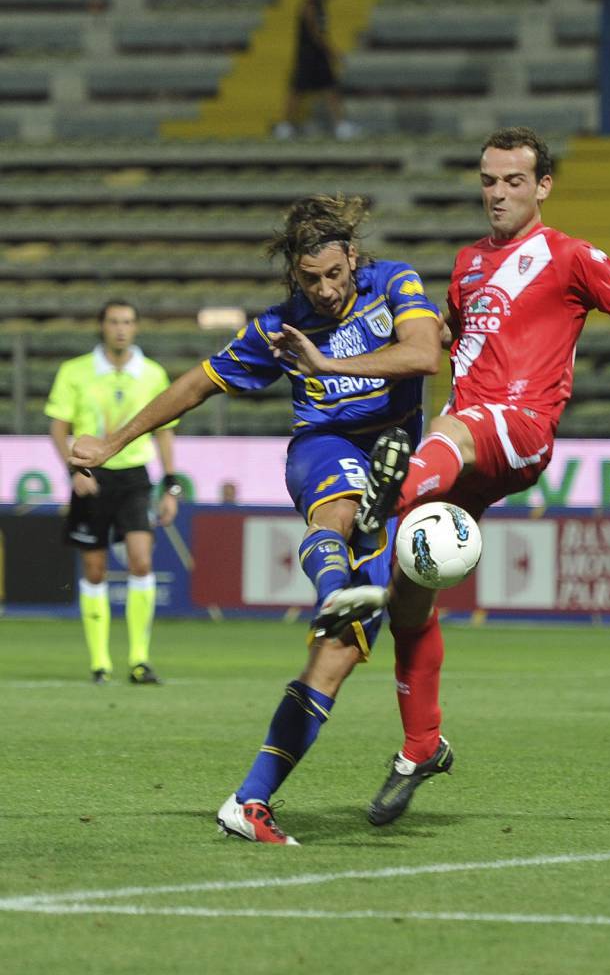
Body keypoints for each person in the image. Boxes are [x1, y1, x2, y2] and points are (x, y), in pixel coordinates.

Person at [299, 125, 610, 826]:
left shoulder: (569, 257)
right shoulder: (467, 263)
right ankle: (421, 746)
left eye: (513, 181)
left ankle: (374, 520)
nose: (498, 193)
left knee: (435, 446)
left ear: (543, 186)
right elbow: (453, 341)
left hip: (516, 428)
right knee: (410, 598)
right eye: (488, 181)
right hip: (469, 447)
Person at [69, 194, 442, 845]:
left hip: (397, 457)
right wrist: (113, 443)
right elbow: (198, 383)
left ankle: (250, 800)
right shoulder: (280, 327)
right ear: (294, 275)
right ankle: (336, 592)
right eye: (310, 279)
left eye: (334, 274)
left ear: (353, 258)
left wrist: (326, 363)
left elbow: (422, 356)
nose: (325, 290)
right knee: (342, 508)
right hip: (324, 447)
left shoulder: (394, 284)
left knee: (335, 659)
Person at [46, 300, 180, 685]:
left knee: (141, 561)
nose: (121, 328)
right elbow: (59, 428)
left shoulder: (152, 374)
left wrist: (170, 484)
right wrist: (74, 469)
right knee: (94, 569)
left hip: (135, 477)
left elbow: (164, 432)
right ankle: (100, 663)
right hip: (91, 473)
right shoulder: (75, 371)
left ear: (135, 327)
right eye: (114, 321)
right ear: (102, 326)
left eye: (128, 322)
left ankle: (139, 659)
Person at [273, 0, 357, 141]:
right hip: (309, 55)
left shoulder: (320, 5)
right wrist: (333, 52)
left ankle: (341, 127)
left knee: (330, 88)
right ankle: (284, 126)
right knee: (297, 91)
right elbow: (315, 32)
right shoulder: (311, 3)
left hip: (317, 55)